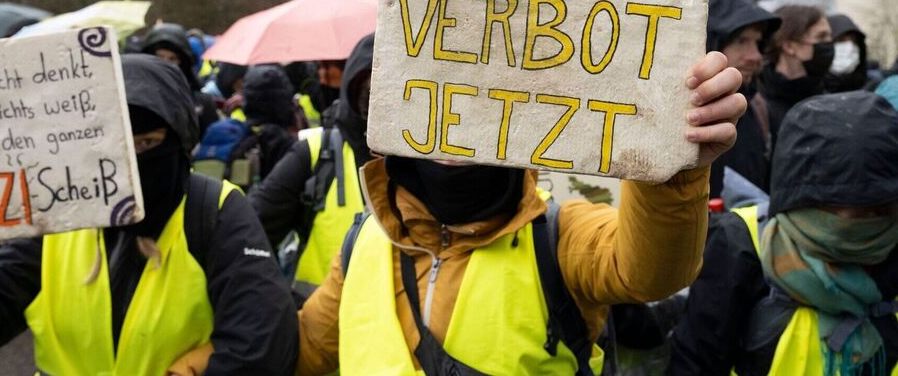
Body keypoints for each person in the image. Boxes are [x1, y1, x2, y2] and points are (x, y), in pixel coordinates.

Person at [295, 52, 746, 375]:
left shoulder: (558, 237)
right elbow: (303, 354)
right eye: (430, 99)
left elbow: (652, 273)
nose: (454, 122)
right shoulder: (363, 247)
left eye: (476, 102)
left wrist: (669, 166)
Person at [0, 55, 298, 375]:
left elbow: (261, 347)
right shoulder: (54, 217)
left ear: (180, 141)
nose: (128, 164)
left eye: (146, 143)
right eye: (112, 147)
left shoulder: (213, 210)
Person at [668, 91, 898, 375]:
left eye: (874, 210)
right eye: (831, 208)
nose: (852, 222)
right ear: (798, 198)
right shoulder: (744, 245)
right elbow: (695, 362)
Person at [250, 33, 374, 301]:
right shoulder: (317, 151)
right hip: (317, 324)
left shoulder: (442, 163)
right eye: (369, 90)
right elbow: (251, 231)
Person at [705, 0, 780, 197]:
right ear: (710, 42)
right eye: (741, 41)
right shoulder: (678, 116)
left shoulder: (760, 110)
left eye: (757, 43)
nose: (755, 56)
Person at [758, 5, 832, 143]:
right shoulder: (758, 106)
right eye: (821, 37)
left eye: (829, 36)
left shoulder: (829, 99)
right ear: (789, 46)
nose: (829, 43)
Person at [142, 22, 220, 140]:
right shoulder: (137, 97)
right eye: (159, 57)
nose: (165, 63)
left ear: (182, 62)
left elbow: (211, 141)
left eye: (172, 58)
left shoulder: (200, 101)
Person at [825, 14, 868, 93]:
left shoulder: (873, 87)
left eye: (854, 41)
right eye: (841, 40)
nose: (850, 46)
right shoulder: (811, 91)